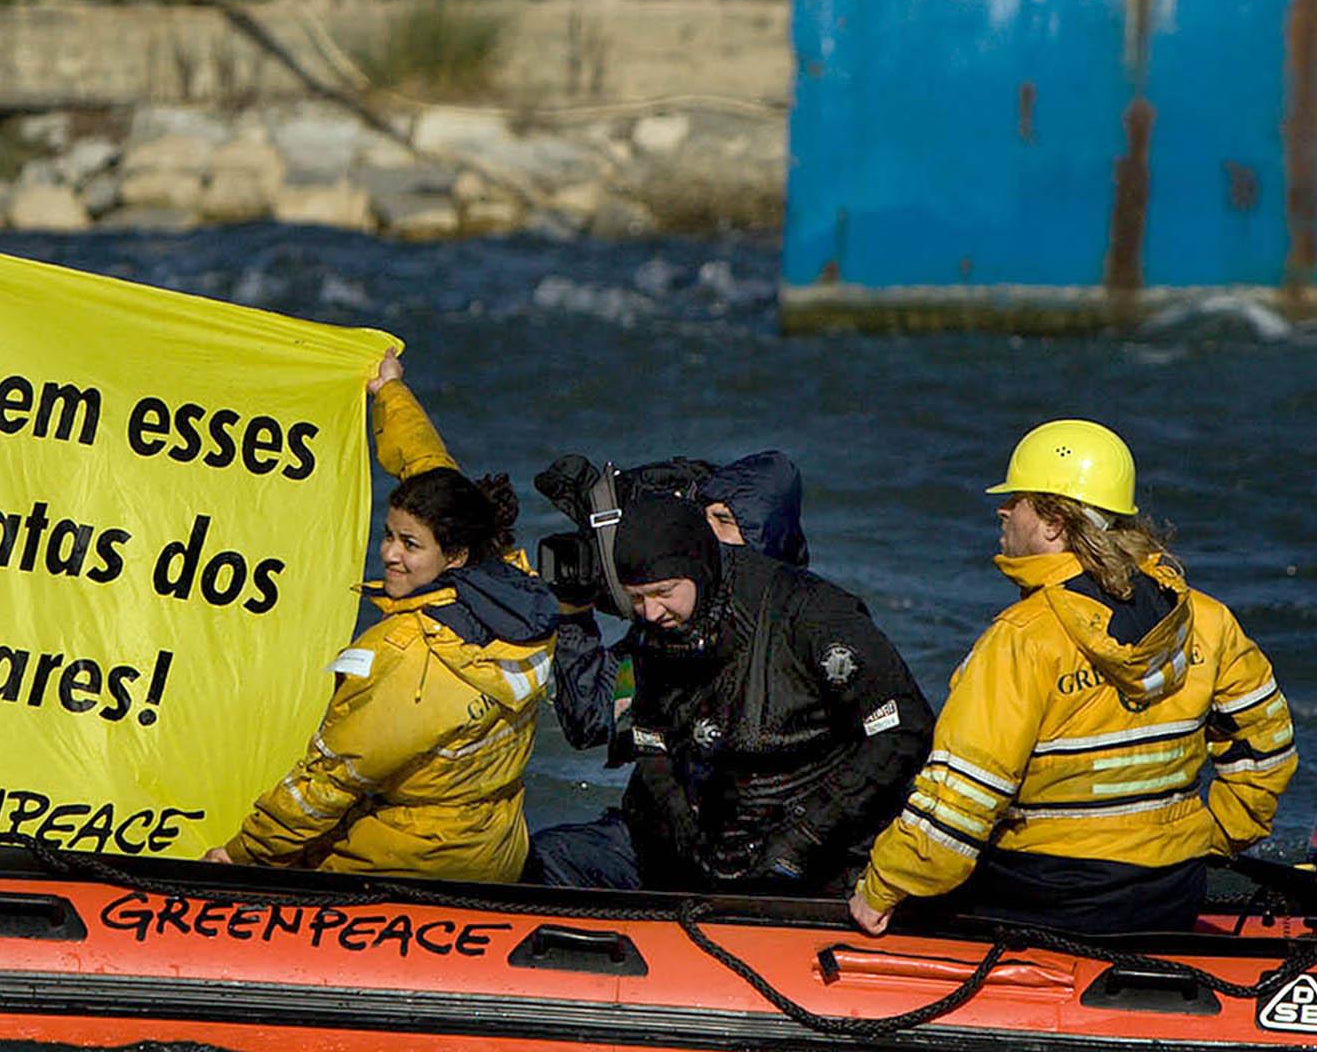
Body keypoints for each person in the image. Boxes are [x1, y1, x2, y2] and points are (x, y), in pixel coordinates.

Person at [848, 419, 1298, 938]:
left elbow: (962, 798)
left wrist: (883, 885)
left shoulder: (1022, 639)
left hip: (1047, 895)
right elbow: (1268, 752)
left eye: (1017, 500)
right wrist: (1211, 836)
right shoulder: (1207, 619)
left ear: (1054, 524)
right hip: (1171, 891)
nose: (1003, 510)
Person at [203, 354, 558, 883]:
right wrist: (391, 394)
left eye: (409, 544)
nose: (389, 554)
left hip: (418, 859)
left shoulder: (407, 655)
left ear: (453, 556)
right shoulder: (514, 584)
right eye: (389, 534)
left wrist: (240, 855)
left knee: (306, 837)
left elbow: (329, 781)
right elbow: (429, 467)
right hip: (497, 847)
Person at [530, 491, 933, 894]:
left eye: (664, 592)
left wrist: (802, 838)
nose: (651, 612)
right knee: (546, 858)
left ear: (698, 568)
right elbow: (646, 739)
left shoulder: (812, 615)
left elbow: (903, 729)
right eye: (636, 598)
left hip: (817, 850)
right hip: (697, 846)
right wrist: (684, 831)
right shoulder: (652, 632)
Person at [539, 448, 810, 756]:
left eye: (723, 520)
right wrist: (575, 614)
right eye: (703, 515)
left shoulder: (802, 625)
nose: (707, 531)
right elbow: (589, 722)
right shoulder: (669, 625)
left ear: (764, 534)